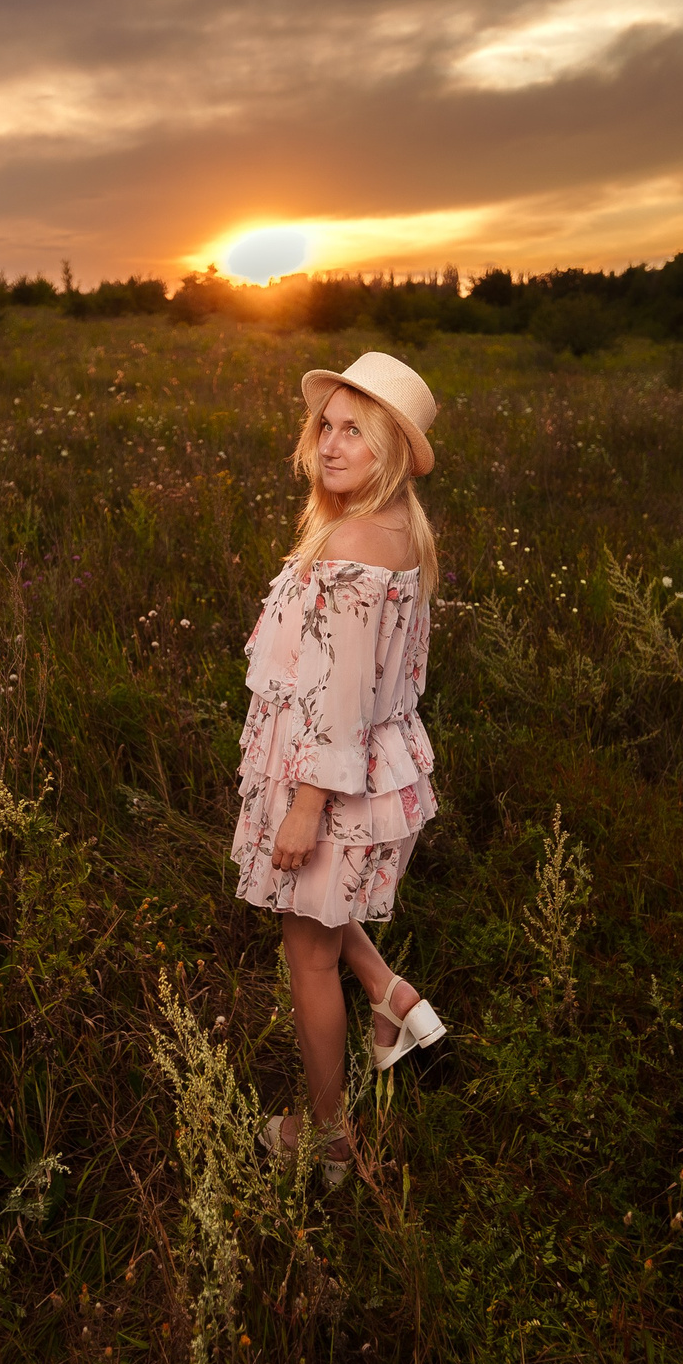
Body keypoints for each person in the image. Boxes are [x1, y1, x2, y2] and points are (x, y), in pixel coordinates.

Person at [232, 351, 449, 1190]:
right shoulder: (399, 528)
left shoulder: (355, 546)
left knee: (305, 952)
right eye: (326, 425)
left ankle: (327, 1143)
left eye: (354, 430)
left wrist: (304, 807)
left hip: (334, 776)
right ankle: (393, 999)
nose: (329, 443)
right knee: (316, 907)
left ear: (390, 444)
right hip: (372, 763)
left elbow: (343, 697)